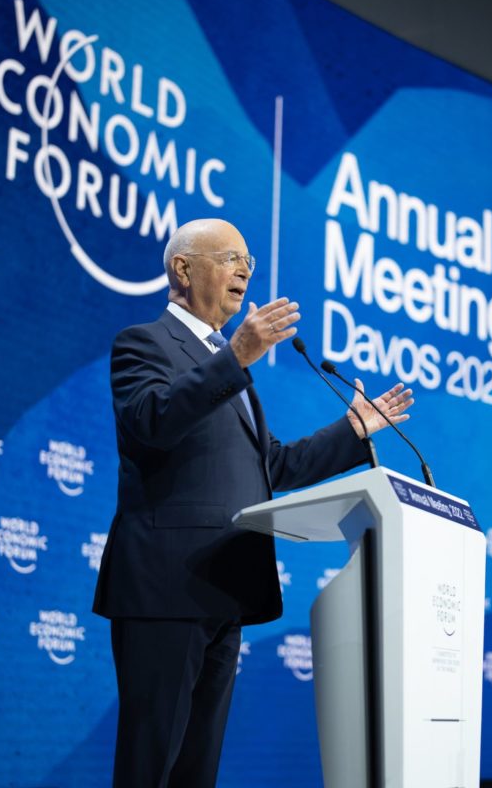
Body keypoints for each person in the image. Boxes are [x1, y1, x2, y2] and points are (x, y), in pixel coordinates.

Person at [91, 218, 415, 787]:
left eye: (249, 262)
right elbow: (151, 421)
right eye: (229, 258)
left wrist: (354, 430)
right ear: (182, 269)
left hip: (226, 589)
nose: (244, 270)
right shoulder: (144, 343)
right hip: (165, 588)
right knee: (149, 768)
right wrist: (235, 357)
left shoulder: (226, 363)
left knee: (195, 773)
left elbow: (275, 465)